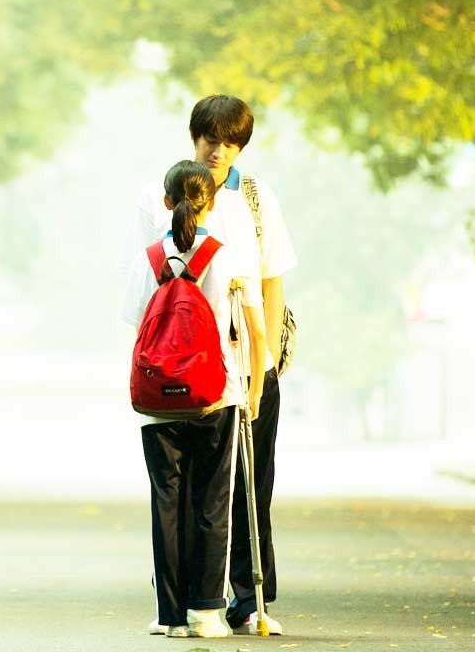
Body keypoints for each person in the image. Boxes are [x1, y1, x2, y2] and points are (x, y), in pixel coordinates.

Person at [126, 94, 297, 636]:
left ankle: (248, 592)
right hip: (183, 373)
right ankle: (197, 597)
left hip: (245, 365)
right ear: (193, 138)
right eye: (209, 139)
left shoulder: (254, 196)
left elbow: (272, 280)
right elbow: (147, 290)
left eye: (230, 141)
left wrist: (264, 364)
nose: (218, 149)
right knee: (200, 489)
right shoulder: (158, 196)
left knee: (251, 483)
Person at [122, 160, 262, 640]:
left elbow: (135, 321)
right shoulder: (225, 257)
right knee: (211, 500)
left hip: (157, 400)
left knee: (166, 502)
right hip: (213, 395)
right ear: (213, 202)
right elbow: (244, 326)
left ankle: (171, 614)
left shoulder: (147, 260)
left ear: (166, 203)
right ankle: (206, 611)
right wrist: (255, 387)